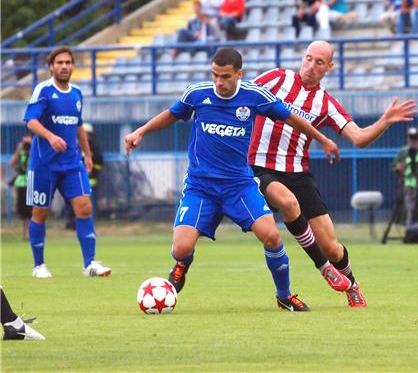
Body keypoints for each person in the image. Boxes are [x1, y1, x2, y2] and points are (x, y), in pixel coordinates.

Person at [124, 48, 351, 312]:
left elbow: (291, 118)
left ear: (239, 75)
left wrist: (322, 139)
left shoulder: (254, 96)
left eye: (225, 76)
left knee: (272, 237)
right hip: (201, 187)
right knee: (181, 247)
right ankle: (182, 264)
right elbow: (171, 114)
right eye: (215, 75)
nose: (219, 82)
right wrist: (140, 131)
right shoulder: (197, 94)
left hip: (239, 186)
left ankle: (284, 296)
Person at [248, 40, 417, 307]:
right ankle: (323, 267)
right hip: (260, 167)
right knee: (288, 202)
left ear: (329, 67)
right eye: (308, 58)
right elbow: (242, 96)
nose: (311, 66)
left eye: (319, 62)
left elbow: (359, 137)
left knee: (332, 246)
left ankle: (352, 285)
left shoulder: (326, 103)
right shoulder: (276, 79)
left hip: (298, 174)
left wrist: (384, 121)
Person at [23, 46, 112, 278]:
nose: (64, 66)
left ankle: (89, 264)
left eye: (68, 62)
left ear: (73, 66)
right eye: (59, 63)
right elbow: (30, 121)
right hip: (44, 165)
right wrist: (51, 136)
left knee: (85, 207)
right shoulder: (43, 90)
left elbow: (78, 125)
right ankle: (39, 266)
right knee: (40, 213)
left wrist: (88, 154)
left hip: (72, 164)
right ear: (51, 66)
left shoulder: (76, 93)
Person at [64, 122, 104, 230]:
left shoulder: (94, 148)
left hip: (91, 182)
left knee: (88, 207)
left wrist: (92, 170)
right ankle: (72, 224)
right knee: (72, 205)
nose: (85, 136)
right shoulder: (74, 146)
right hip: (74, 181)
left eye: (87, 133)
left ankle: (88, 225)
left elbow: (100, 163)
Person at [10, 133, 33, 240]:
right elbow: (12, 163)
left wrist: (33, 147)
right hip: (21, 183)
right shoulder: (21, 153)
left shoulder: (34, 153)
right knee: (23, 209)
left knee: (32, 208)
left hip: (32, 182)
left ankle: (33, 231)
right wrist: (19, 149)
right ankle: (26, 231)